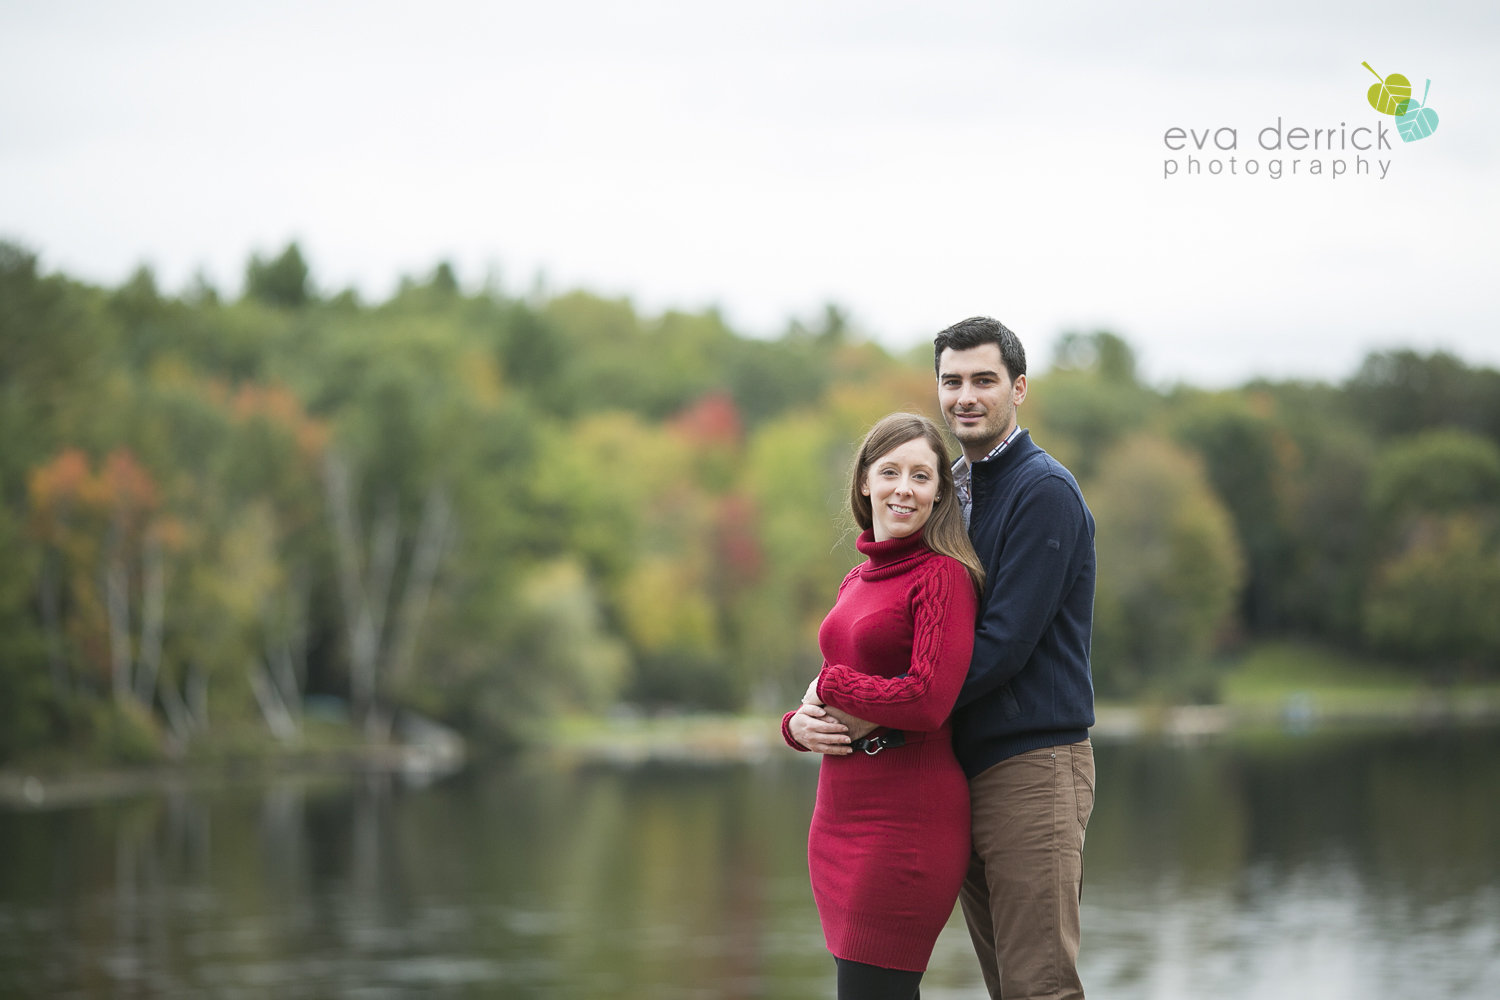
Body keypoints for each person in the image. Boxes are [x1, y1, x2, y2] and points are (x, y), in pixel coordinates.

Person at [791, 317, 1097, 1000]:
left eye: (984, 380)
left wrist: (874, 709)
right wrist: (820, 707)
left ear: (1018, 388)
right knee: (1005, 982)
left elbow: (1001, 645)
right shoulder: (951, 488)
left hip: (1032, 763)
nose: (966, 395)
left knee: (1038, 985)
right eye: (952, 381)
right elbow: (900, 624)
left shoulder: (1041, 490)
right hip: (961, 763)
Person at [781, 412, 985, 1000]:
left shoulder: (942, 576)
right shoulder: (857, 580)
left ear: (940, 494)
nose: (904, 488)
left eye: (922, 477)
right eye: (890, 471)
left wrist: (831, 689)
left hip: (906, 822)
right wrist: (797, 727)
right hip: (839, 816)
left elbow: (927, 699)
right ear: (864, 482)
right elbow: (827, 683)